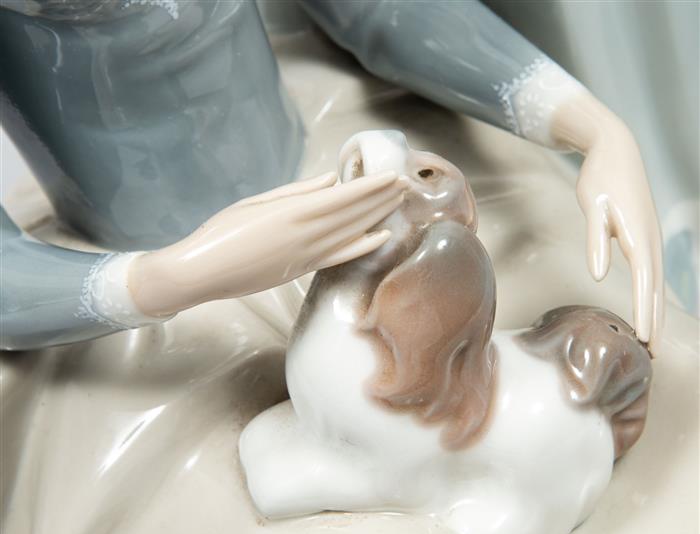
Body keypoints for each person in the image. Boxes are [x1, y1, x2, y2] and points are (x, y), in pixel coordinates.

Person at [0, 0, 663, 353]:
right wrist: (168, 279)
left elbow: (385, 10)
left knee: (573, 285)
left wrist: (594, 127)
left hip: (332, 158)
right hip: (135, 291)